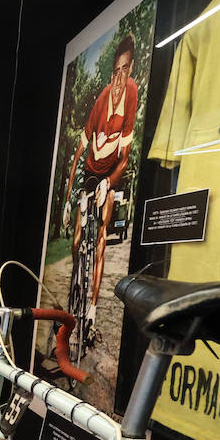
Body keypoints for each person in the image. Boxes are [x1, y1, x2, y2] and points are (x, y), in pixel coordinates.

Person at [62, 33, 137, 320]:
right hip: (91, 171)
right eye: (115, 72)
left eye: (125, 71)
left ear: (129, 71)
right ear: (111, 73)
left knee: (102, 235)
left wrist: (109, 182)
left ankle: (92, 309)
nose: (119, 80)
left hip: (109, 172)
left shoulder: (131, 93)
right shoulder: (102, 100)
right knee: (80, 235)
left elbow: (126, 157)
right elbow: (77, 157)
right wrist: (69, 200)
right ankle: (77, 277)